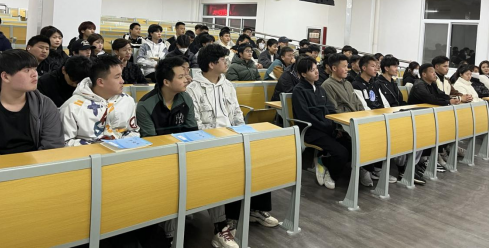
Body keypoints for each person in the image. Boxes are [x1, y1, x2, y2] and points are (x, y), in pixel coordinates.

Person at [187, 44, 277, 248]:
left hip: (233, 139)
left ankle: (256, 209)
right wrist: (223, 138)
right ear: (211, 64)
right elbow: (196, 124)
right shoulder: (193, 89)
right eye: (223, 60)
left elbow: (237, 114)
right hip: (210, 144)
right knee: (234, 170)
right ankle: (227, 222)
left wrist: (243, 135)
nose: (227, 63)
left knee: (260, 160)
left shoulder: (228, 85)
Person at [0, 49, 64, 157]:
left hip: (35, 164)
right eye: (27, 70)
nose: (35, 74)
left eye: (35, 69)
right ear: (5, 76)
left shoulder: (45, 105)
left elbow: (53, 146)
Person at [292, 56, 352, 190]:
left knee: (351, 146)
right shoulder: (299, 91)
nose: (316, 72)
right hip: (311, 131)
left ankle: (324, 161)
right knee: (341, 153)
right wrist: (327, 128)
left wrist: (334, 127)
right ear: (303, 74)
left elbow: (331, 109)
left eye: (316, 68)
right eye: (312, 70)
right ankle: (332, 175)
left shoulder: (320, 89)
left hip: (327, 129)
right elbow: (305, 116)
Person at [60, 55, 140, 146]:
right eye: (117, 77)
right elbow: (65, 143)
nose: (122, 81)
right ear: (100, 82)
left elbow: (133, 131)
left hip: (124, 151)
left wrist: (121, 145)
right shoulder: (72, 107)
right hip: (90, 154)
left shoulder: (127, 101)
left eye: (121, 75)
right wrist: (100, 146)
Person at [136, 56, 197, 138]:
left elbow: (192, 132)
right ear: (166, 82)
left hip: (183, 144)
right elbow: (150, 139)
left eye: (184, 76)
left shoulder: (186, 98)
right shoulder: (145, 105)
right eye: (180, 77)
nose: (186, 80)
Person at [453, 64, 489, 150]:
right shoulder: (459, 85)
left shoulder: (468, 84)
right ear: (461, 74)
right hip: (470, 109)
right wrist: (481, 103)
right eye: (467, 74)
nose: (469, 76)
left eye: (470, 74)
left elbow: (476, 97)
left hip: (478, 106)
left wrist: (482, 102)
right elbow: (468, 100)